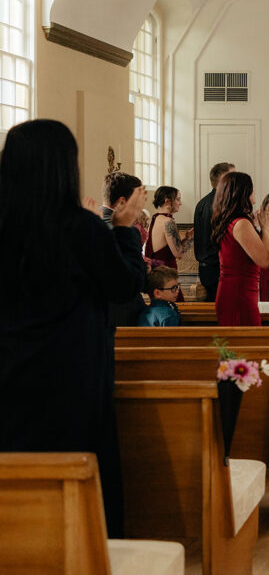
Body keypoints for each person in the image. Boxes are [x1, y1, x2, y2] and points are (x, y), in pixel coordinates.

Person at [0, 119, 147, 539]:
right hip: (70, 373)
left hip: (10, 371)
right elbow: (123, 286)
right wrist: (123, 230)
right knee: (79, 469)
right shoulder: (79, 228)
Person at [211, 172, 269, 326]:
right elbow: (264, 260)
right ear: (243, 193)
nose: (254, 192)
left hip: (234, 292)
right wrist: (266, 230)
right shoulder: (241, 224)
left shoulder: (230, 221)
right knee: (247, 346)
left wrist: (255, 226)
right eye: (251, 189)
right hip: (239, 295)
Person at [101, 171, 147, 326]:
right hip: (122, 312)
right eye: (137, 202)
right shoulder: (126, 230)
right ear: (122, 202)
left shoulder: (90, 222)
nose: (140, 208)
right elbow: (133, 280)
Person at [193, 162, 235, 301]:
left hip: (206, 268)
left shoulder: (202, 202)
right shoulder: (221, 204)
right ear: (224, 179)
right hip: (218, 268)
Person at [146, 186, 192, 301]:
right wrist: (191, 239)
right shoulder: (168, 222)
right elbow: (179, 254)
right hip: (166, 280)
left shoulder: (155, 218)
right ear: (167, 200)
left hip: (157, 276)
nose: (180, 203)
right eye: (178, 199)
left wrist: (185, 239)